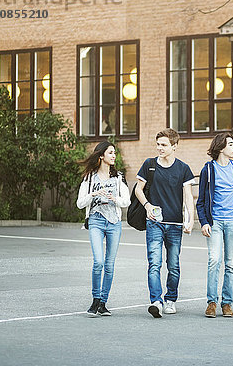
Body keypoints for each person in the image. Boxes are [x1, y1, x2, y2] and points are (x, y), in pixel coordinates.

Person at [135, 128, 195, 318]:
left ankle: (171, 299)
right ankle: (156, 301)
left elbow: (188, 197)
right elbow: (138, 189)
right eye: (158, 144)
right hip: (154, 223)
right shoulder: (149, 164)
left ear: (174, 146)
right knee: (154, 263)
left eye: (164, 145)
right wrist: (147, 206)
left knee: (173, 265)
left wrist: (190, 219)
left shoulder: (183, 169)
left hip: (175, 224)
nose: (159, 148)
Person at [196, 133, 233, 318]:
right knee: (214, 260)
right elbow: (201, 200)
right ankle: (212, 302)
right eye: (231, 144)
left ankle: (227, 303)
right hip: (215, 222)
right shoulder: (209, 170)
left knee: (231, 264)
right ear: (220, 148)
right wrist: (204, 222)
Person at [77, 141, 130, 317]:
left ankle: (103, 303)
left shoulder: (118, 177)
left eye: (115, 153)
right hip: (96, 221)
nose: (114, 156)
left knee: (109, 265)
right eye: (110, 153)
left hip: (114, 223)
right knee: (98, 261)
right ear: (101, 156)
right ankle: (95, 300)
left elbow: (126, 201)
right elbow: (79, 203)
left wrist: (114, 198)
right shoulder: (89, 178)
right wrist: (93, 194)